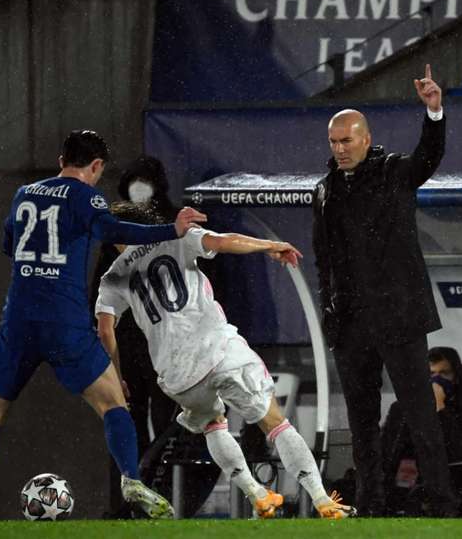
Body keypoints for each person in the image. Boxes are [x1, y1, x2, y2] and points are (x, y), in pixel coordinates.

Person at [0, 130, 207, 523]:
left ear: (61, 158)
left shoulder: (24, 193)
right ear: (96, 166)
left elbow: (9, 244)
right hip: (64, 321)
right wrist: (171, 230)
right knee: (114, 403)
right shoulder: (88, 197)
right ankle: (132, 481)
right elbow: (114, 231)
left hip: (18, 322)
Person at [94, 202, 356, 519]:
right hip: (217, 348)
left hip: (176, 374)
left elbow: (106, 332)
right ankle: (321, 498)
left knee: (212, 425)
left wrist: (116, 376)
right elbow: (224, 240)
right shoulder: (175, 237)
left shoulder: (112, 278)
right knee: (275, 423)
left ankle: (256, 493)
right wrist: (270, 245)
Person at [312, 64, 456, 517]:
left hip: (399, 318)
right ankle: (370, 505)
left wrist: (433, 112)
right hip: (351, 323)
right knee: (361, 422)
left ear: (366, 139)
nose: (339, 149)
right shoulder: (325, 189)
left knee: (420, 417)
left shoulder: (395, 172)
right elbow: (324, 259)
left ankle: (441, 506)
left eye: (346, 140)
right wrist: (329, 311)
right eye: (334, 142)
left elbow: (428, 158)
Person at [90, 155, 180, 517]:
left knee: (166, 428)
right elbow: (99, 293)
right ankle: (128, 504)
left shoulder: (176, 225)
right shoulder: (115, 230)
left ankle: (162, 499)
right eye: (133, 181)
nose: (139, 188)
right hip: (125, 347)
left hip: (166, 344)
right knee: (124, 424)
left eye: (145, 181)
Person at [382, 346, 462, 515]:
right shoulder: (402, 408)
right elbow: (389, 451)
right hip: (416, 476)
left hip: (458, 477)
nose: (437, 380)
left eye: (444, 373)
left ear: (456, 376)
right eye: (431, 375)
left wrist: (441, 410)